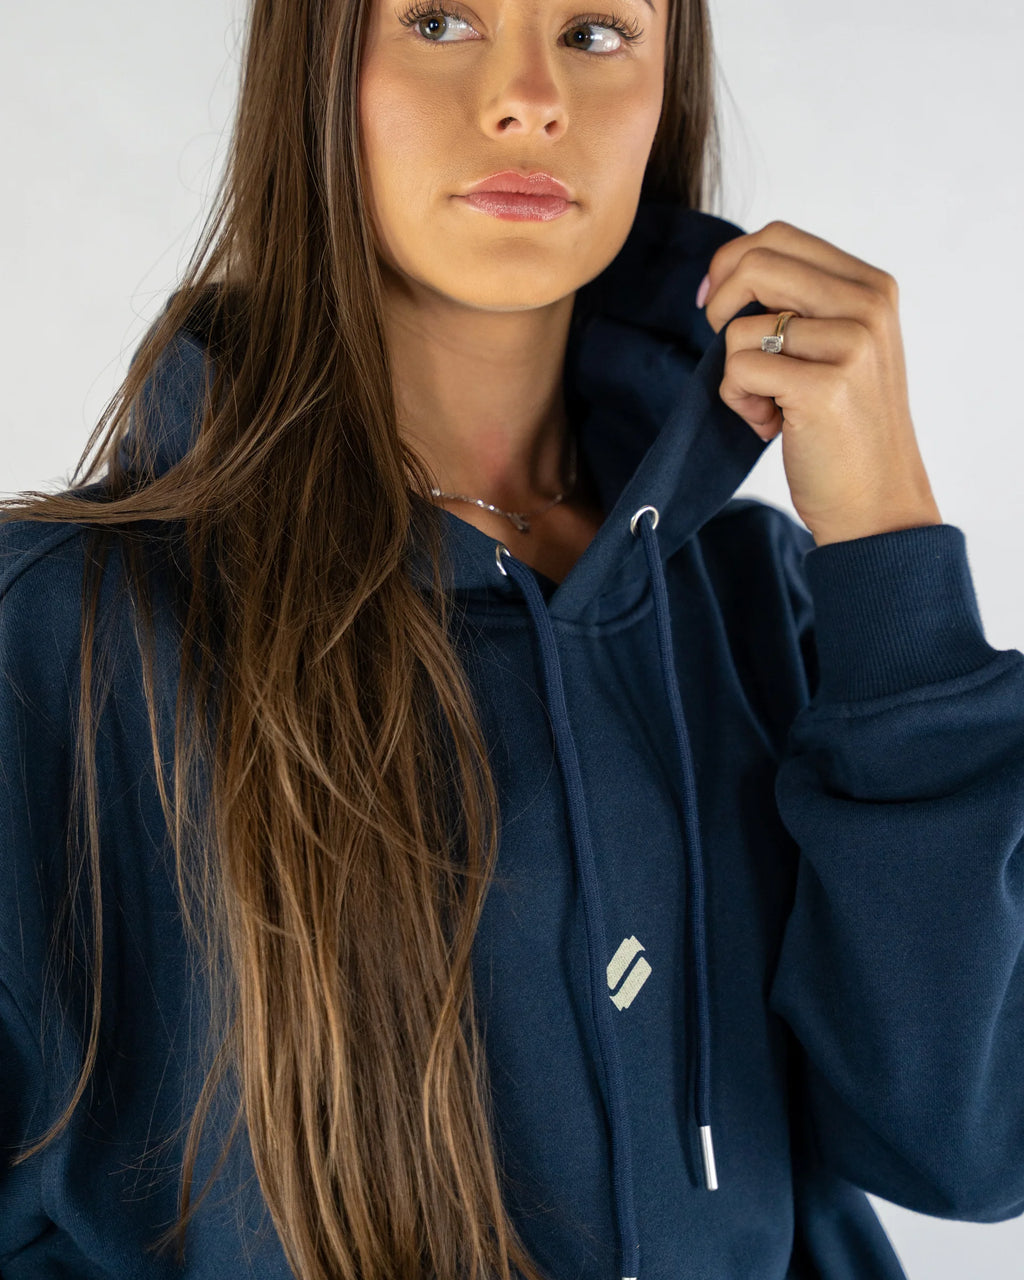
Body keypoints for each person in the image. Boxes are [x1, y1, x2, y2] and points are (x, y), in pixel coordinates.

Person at [1, 0, 1022, 1277]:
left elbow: (969, 1146)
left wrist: (887, 546)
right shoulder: (56, 633)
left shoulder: (769, 604)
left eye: (597, 32)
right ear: (316, 70)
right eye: (440, 20)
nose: (528, 96)